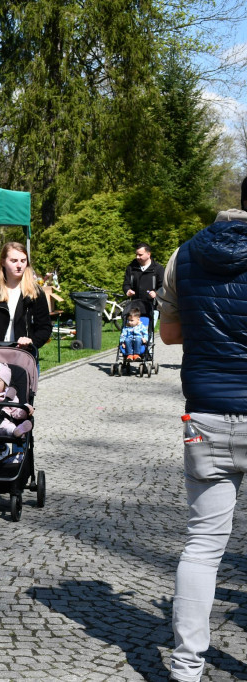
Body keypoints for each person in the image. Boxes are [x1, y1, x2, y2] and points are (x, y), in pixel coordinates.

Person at [158, 178, 247, 682]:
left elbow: (169, 335)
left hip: (206, 413)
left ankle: (186, 669)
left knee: (203, 546)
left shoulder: (184, 255)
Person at [0, 242, 52, 358]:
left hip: (24, 357)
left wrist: (31, 342)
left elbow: (45, 327)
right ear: (3, 262)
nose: (19, 265)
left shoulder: (35, 293)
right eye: (14, 261)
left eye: (23, 261)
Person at [123, 242, 165, 314]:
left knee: (148, 326)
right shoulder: (131, 268)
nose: (137, 257)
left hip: (152, 307)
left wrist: (156, 293)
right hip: (134, 308)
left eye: (140, 255)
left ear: (148, 254)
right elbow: (126, 284)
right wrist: (127, 291)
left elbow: (163, 287)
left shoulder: (158, 269)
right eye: (136, 254)